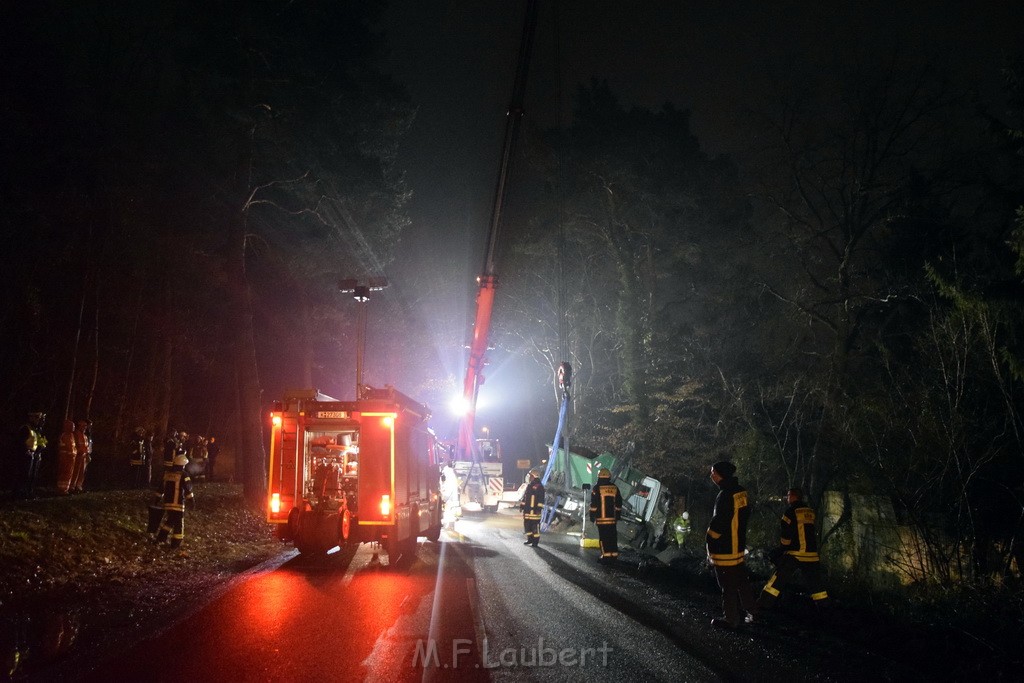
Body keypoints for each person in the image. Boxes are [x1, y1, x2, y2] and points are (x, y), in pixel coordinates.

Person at [757, 487, 831, 613]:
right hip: (811, 554)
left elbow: (786, 535)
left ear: (793, 496)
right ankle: (825, 608)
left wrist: (781, 549)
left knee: (777, 580)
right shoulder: (810, 511)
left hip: (796, 553)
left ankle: (763, 605)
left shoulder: (790, 512)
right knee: (816, 584)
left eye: (788, 495)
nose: (787, 498)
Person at [706, 460, 759, 629]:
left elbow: (719, 523)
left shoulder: (724, 495)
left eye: (713, 472)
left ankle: (730, 619)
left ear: (720, 474)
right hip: (738, 546)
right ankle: (753, 612)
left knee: (727, 585)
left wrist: (710, 541)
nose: (711, 475)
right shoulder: (741, 492)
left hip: (725, 548)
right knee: (742, 581)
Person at [153, 453, 195, 549]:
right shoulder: (184, 475)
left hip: (168, 503)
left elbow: (161, 488)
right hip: (178, 504)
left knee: (170, 521)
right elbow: (188, 488)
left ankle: (160, 539)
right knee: (179, 524)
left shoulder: (167, 474)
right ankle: (176, 543)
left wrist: (157, 498)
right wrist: (191, 500)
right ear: (182, 465)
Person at [589, 467, 622, 562]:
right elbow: (619, 504)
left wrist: (592, 516)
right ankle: (614, 555)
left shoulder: (596, 488)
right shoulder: (614, 488)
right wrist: (617, 516)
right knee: (612, 537)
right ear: (609, 476)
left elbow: (594, 505)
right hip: (612, 519)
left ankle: (605, 555)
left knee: (603, 538)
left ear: (599, 476)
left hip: (601, 519)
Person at [13, 412, 46, 499]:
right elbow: (20, 441)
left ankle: (28, 492)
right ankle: (19, 493)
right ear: (31, 418)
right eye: (37, 418)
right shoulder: (26, 428)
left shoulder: (35, 429)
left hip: (33, 455)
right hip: (25, 455)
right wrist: (25, 450)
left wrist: (40, 448)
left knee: (31, 475)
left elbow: (38, 441)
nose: (38, 420)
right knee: (23, 475)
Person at [520, 468, 545, 547]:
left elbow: (541, 499)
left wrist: (538, 509)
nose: (528, 477)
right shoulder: (530, 485)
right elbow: (525, 497)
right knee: (527, 526)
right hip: (527, 511)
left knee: (535, 527)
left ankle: (535, 542)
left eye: (530, 475)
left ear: (534, 476)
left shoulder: (539, 487)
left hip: (534, 512)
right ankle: (529, 539)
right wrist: (522, 506)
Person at [56, 419, 78, 495]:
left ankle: (65, 489)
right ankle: (61, 489)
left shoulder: (71, 435)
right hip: (66, 457)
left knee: (68, 473)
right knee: (64, 473)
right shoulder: (65, 435)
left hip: (71, 457)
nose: (74, 428)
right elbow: (69, 447)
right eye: (72, 426)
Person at [70, 420, 92, 493]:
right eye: (83, 426)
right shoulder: (76, 434)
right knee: (75, 471)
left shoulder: (85, 436)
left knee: (81, 473)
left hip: (83, 456)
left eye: (85, 426)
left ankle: (78, 486)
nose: (85, 428)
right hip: (77, 455)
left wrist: (87, 454)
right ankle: (72, 487)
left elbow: (87, 446)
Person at [440, 460, 461, 530]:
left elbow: (442, 480)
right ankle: (451, 525)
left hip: (447, 492)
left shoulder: (445, 470)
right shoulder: (453, 471)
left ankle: (447, 524)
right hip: (453, 493)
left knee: (446, 508)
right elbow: (458, 480)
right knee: (452, 509)